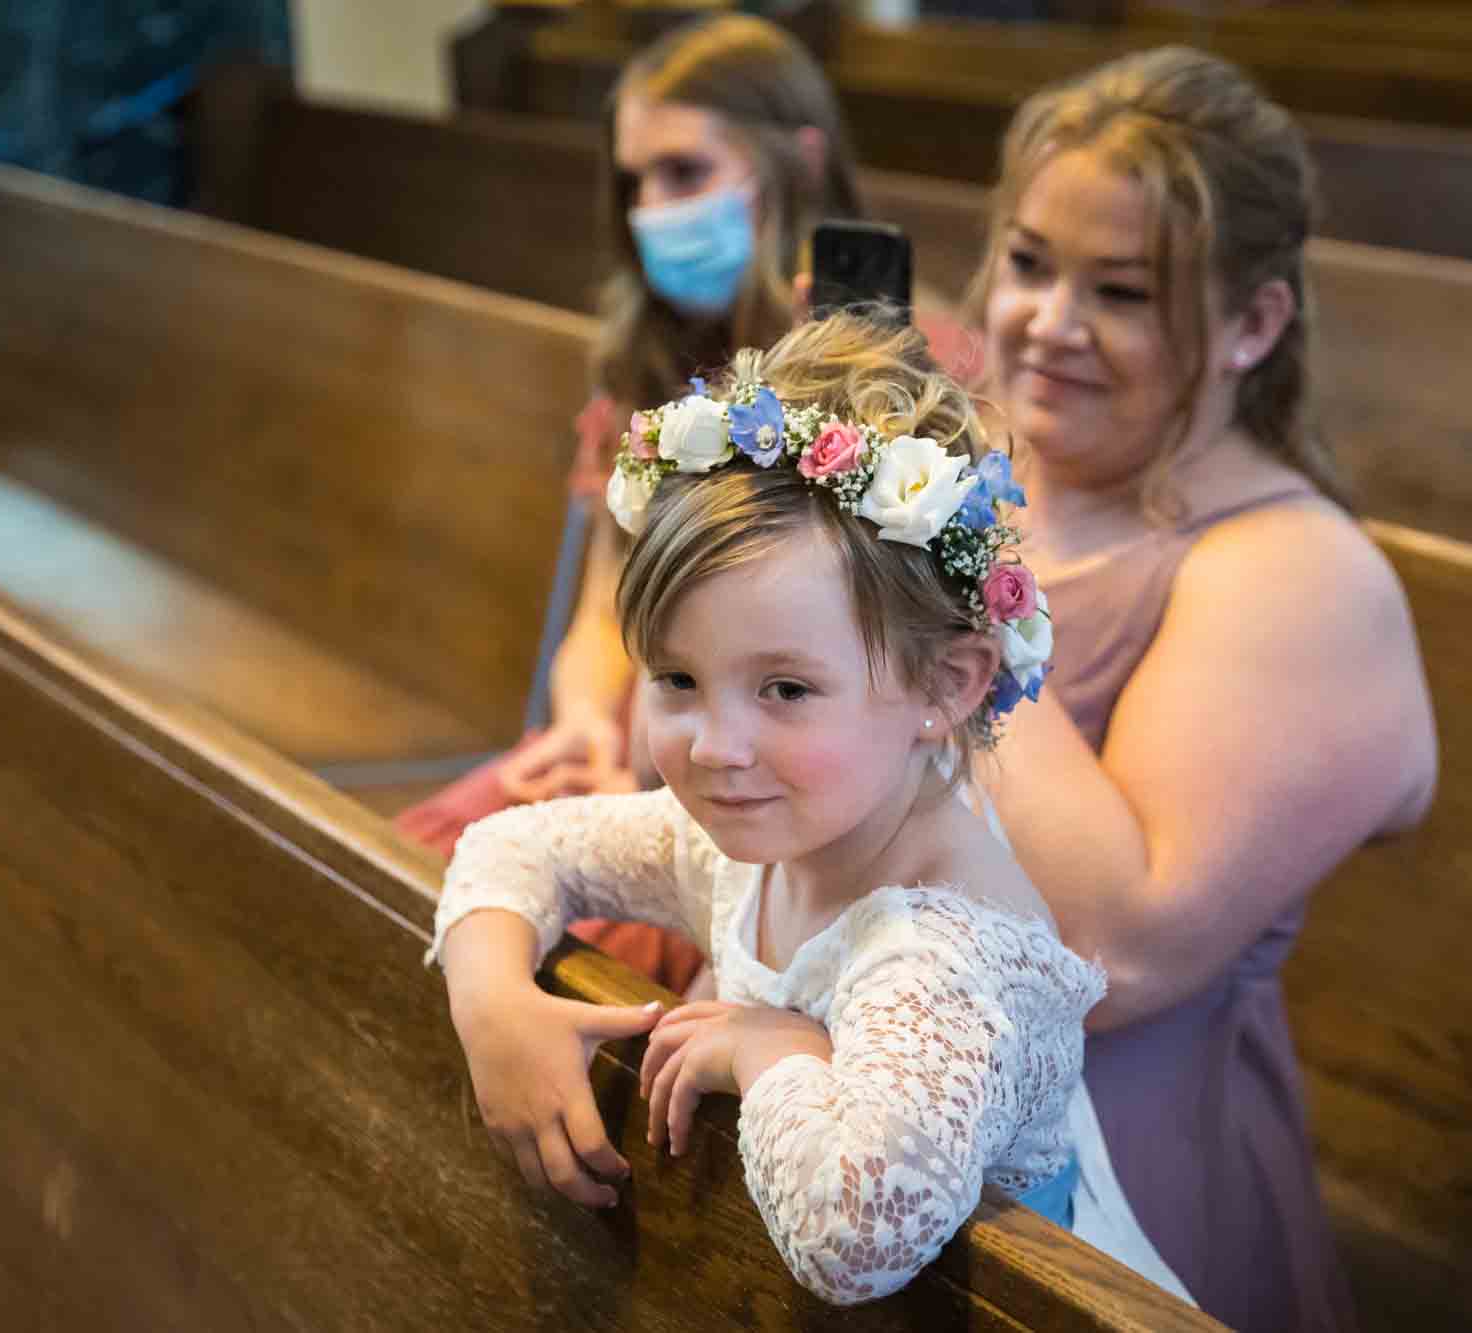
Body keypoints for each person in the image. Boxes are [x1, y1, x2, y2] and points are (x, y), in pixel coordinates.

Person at [428, 315, 1181, 1305]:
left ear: (943, 685)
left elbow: (855, 1239)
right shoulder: (756, 834)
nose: (714, 745)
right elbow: (516, 843)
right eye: (677, 678)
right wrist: (492, 1001)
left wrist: (770, 1048)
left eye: (783, 689)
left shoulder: (944, 953)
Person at [962, 48, 1439, 1333]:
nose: (1046, 323)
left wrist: (950, 573)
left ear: (1255, 323)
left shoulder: (1298, 578)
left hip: (1108, 1191)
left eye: (1118, 291)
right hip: (881, 1088)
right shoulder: (985, 470)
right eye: (1025, 262)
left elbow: (1115, 952)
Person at [396, 15, 974, 990]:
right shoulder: (646, 365)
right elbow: (600, 614)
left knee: (575, 972)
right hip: (642, 732)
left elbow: (894, 649)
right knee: (418, 880)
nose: (652, 210)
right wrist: (585, 728)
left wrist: (657, 774)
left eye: (684, 173)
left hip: (779, 774)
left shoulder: (910, 372)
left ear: (793, 163)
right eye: (634, 184)